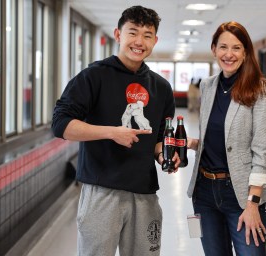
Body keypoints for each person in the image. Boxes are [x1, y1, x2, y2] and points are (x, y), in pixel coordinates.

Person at [52, 6, 180, 256]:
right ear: (118, 34)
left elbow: (158, 139)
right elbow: (61, 124)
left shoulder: (162, 88)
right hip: (102, 190)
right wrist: (112, 132)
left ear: (155, 40)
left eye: (147, 35)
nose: (139, 41)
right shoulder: (93, 76)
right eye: (133, 32)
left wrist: (164, 155)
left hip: (144, 192)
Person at [186, 21, 266, 255]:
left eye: (236, 48)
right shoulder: (208, 87)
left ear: (246, 52)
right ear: (214, 49)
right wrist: (195, 144)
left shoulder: (260, 90)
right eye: (223, 47)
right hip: (204, 191)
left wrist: (252, 204)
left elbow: (262, 152)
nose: (229, 54)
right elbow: (222, 139)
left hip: (240, 193)